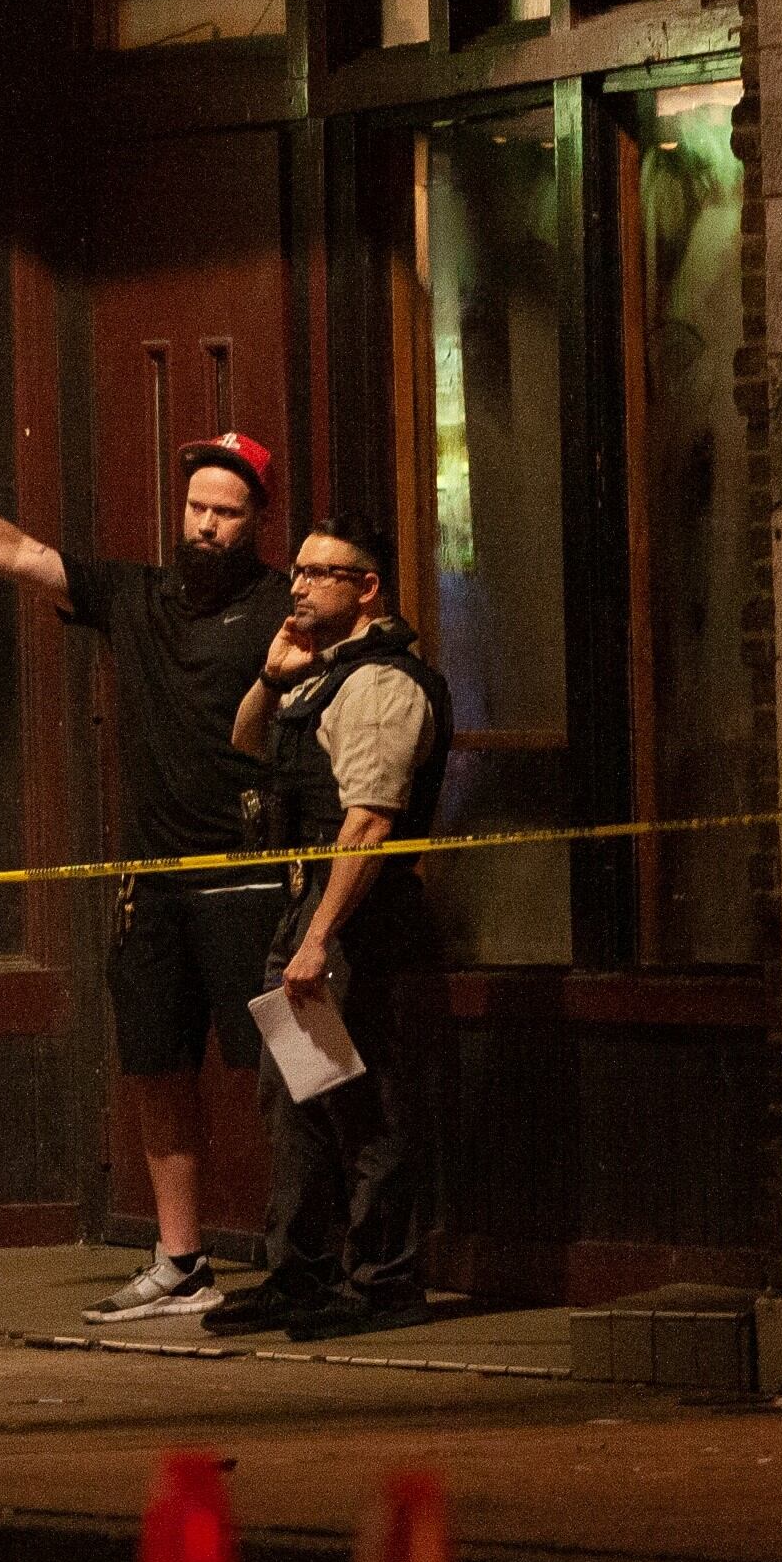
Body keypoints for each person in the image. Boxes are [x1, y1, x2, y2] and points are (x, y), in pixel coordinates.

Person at [0, 427, 286, 1323]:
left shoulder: (283, 604)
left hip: (253, 873)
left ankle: (321, 1255)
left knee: (292, 1071)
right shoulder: (137, 594)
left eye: (226, 514)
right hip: (151, 880)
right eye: (197, 507)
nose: (205, 525)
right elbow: (13, 551)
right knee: (156, 1065)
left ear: (254, 522)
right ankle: (182, 1258)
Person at [203, 515, 451, 1342]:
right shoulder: (322, 675)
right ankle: (303, 1274)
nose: (299, 585)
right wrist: (273, 680)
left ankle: (381, 1279)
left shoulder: (382, 683)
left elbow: (370, 824)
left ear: (367, 586)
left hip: (355, 917)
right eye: (297, 571)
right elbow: (248, 745)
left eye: (320, 572)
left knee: (359, 1101)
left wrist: (318, 940)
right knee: (299, 1096)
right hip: (309, 903)